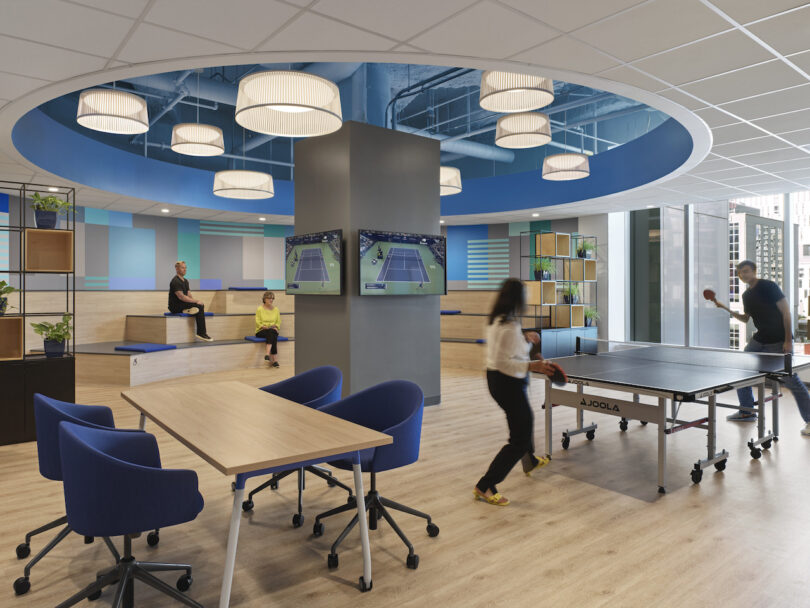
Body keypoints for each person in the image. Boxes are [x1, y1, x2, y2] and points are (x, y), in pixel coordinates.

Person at [474, 278, 565, 506]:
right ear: (517, 299)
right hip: (507, 383)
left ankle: (530, 461)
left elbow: (509, 352)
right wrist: (532, 365)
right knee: (519, 438)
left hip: (497, 381)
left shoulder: (497, 321)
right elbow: (506, 363)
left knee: (526, 421)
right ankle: (485, 485)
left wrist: (526, 341)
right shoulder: (509, 327)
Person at [713, 260, 810, 435]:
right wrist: (725, 308)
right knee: (742, 372)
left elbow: (786, 313)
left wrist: (788, 340)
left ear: (754, 271)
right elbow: (745, 319)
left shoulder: (769, 286)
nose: (743, 275)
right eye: (740, 273)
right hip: (759, 340)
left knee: (791, 381)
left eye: (746, 271)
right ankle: (747, 412)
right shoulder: (746, 295)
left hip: (779, 341)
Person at [168, 261, 212, 342]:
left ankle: (187, 310)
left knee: (198, 306)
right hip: (175, 306)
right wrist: (196, 301)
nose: (185, 269)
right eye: (182, 268)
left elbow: (189, 295)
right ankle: (201, 333)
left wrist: (194, 303)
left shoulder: (185, 281)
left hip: (182, 304)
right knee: (199, 306)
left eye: (185, 268)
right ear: (177, 269)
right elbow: (181, 297)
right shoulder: (175, 281)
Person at [255, 290, 281, 368]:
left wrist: (276, 326)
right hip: (261, 330)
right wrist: (263, 326)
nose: (271, 300)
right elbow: (257, 321)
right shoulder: (260, 309)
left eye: (272, 298)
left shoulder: (276, 309)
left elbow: (278, 321)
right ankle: (275, 360)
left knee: (272, 332)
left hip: (272, 330)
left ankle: (267, 355)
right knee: (272, 334)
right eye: (269, 298)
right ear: (264, 299)